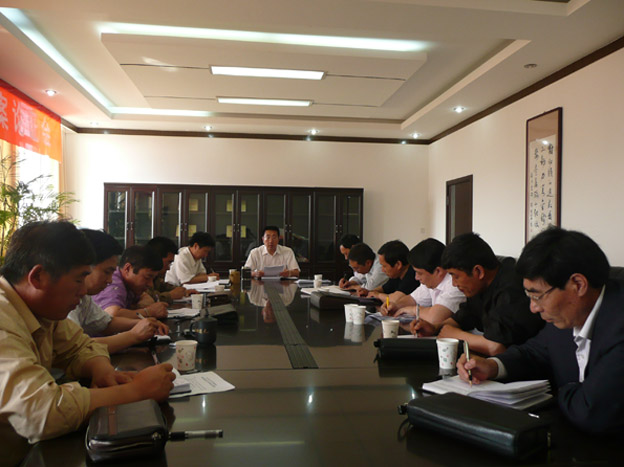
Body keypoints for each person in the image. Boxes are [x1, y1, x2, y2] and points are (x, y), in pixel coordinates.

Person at [0, 221, 174, 465]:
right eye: (79, 279)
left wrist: (101, 370)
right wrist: (135, 391)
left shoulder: (42, 309)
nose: (84, 291)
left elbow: (81, 346)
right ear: (38, 277)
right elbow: (41, 413)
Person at [458, 228, 624, 434]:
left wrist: (560, 389)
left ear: (578, 284)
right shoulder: (567, 316)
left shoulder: (618, 325)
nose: (533, 308)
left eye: (537, 296)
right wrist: (493, 366)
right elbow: (534, 352)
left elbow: (590, 412)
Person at [412, 233, 544, 356]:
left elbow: (496, 347)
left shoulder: (511, 290)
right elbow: (463, 318)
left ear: (478, 271)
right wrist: (434, 328)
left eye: (456, 276)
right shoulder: (479, 285)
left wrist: (456, 335)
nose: (454, 283)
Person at [67, 229, 169, 354]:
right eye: (106, 272)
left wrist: (143, 323)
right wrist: (133, 335)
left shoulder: (84, 297)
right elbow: (77, 349)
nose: (110, 280)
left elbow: (105, 322)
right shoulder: (65, 298)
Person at [382, 238, 465, 325]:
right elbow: (413, 299)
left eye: (419, 273)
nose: (416, 278)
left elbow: (435, 318)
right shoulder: (431, 281)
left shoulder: (455, 285)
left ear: (438, 271)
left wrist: (413, 310)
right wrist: (395, 305)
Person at [92, 245, 168, 319]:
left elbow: (144, 297)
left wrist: (143, 299)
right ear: (127, 269)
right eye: (147, 277)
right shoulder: (114, 283)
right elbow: (112, 314)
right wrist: (148, 312)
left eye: (153, 279)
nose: (151, 284)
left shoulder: (131, 284)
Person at [145, 236, 194, 304]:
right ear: (156, 259)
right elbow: (148, 298)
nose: (168, 268)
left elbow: (163, 286)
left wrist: (183, 291)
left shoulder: (156, 277)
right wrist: (170, 295)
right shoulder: (142, 275)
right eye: (168, 262)